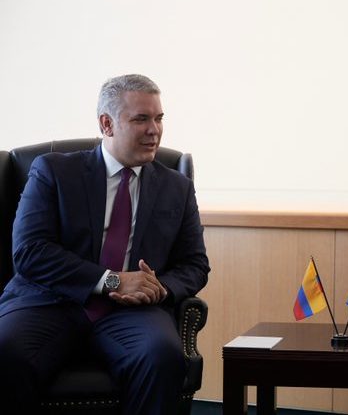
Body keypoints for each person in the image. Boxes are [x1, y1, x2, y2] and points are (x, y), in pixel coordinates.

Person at [0, 74, 210, 415]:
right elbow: (30, 251)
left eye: (159, 118)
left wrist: (158, 288)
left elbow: (195, 264)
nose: (154, 130)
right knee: (5, 352)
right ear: (106, 124)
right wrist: (112, 280)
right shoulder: (54, 171)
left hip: (133, 313)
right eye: (141, 119)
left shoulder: (177, 187)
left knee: (161, 357)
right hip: (49, 301)